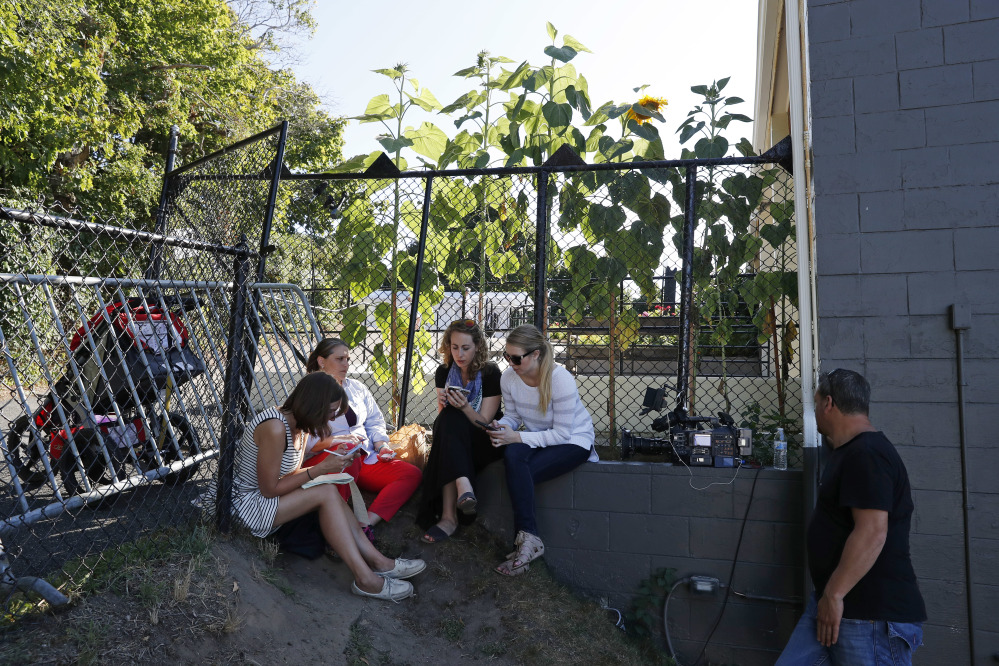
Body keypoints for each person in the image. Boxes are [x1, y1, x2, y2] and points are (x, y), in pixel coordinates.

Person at [222, 372, 424, 601]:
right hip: (245, 504)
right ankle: (366, 578)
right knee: (327, 490)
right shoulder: (275, 427)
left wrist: (329, 465)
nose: (330, 419)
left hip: (266, 499)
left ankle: (379, 563)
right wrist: (319, 469)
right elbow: (269, 489)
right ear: (313, 406)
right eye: (329, 412)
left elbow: (287, 475)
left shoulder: (299, 424)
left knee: (328, 487)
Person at [776, 369, 926, 665]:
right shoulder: (849, 453)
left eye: (816, 402)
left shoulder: (867, 454)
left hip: (868, 616)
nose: (815, 410)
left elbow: (872, 531)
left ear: (829, 403)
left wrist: (834, 594)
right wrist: (828, 597)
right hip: (833, 606)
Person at [486, 324, 597, 577]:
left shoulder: (560, 379)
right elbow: (513, 416)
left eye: (516, 357)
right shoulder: (509, 377)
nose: (510, 362)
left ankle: (523, 546)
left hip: (574, 441)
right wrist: (501, 427)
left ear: (535, 354)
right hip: (540, 439)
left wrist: (516, 436)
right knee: (513, 455)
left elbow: (562, 434)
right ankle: (529, 544)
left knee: (519, 472)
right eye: (506, 356)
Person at [304, 338, 422, 541]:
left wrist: (381, 445)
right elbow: (305, 443)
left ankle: (363, 524)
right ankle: (336, 528)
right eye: (340, 359)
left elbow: (375, 420)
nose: (346, 364)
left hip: (364, 457)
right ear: (322, 361)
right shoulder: (310, 392)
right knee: (348, 450)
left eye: (348, 359)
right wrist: (338, 441)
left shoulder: (356, 387)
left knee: (410, 474)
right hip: (327, 460)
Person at [415, 318, 503, 543]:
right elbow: (443, 417)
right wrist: (448, 403)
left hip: (485, 439)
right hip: (456, 437)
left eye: (466, 348)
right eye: (454, 347)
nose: (459, 354)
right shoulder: (444, 372)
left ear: (478, 347)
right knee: (448, 417)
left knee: (451, 423)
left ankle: (448, 517)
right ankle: (463, 488)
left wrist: (463, 406)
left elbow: (484, 422)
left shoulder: (491, 373)